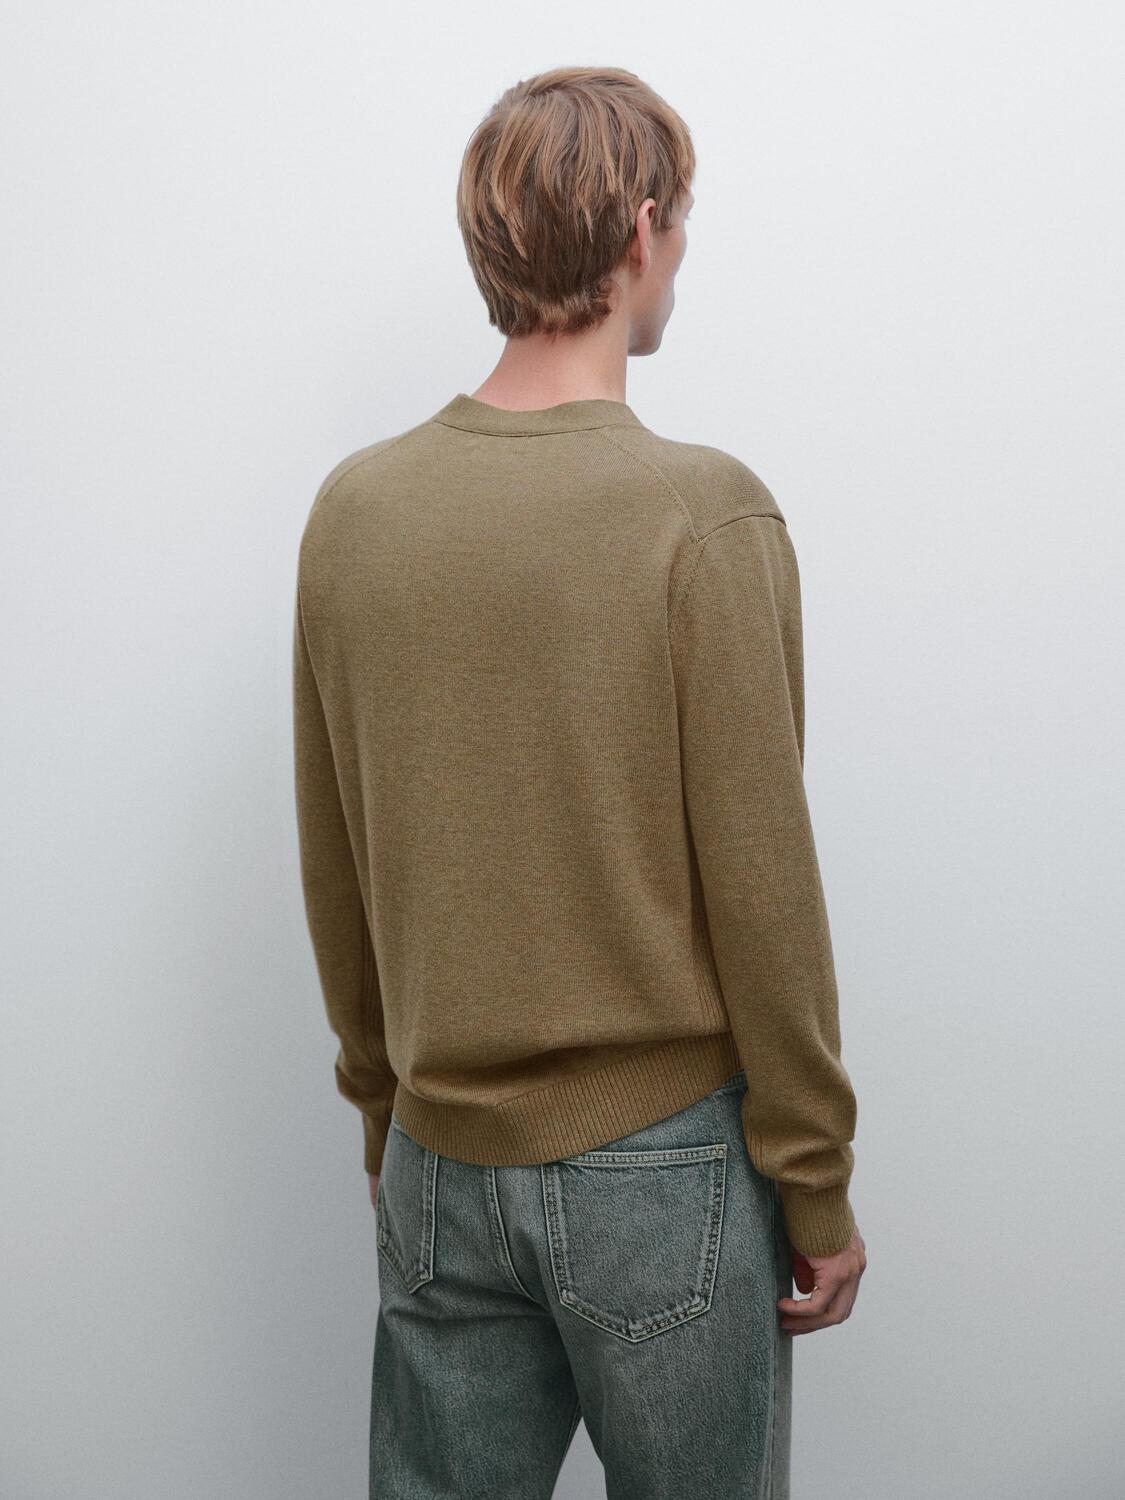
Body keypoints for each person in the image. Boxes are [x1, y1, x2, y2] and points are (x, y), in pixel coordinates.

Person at [292, 64, 866, 1500]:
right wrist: (814, 1179)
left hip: (436, 1160)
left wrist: (384, 1114)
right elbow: (763, 889)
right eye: (683, 223)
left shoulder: (355, 512)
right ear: (642, 229)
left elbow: (335, 858)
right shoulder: (701, 515)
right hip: (662, 1172)